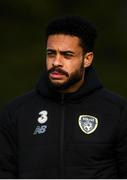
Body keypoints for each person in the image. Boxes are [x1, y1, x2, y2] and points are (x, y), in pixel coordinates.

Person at [0, 16, 127, 179]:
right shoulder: (15, 113)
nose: (56, 62)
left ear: (87, 59)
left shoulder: (117, 111)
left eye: (67, 55)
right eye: (51, 53)